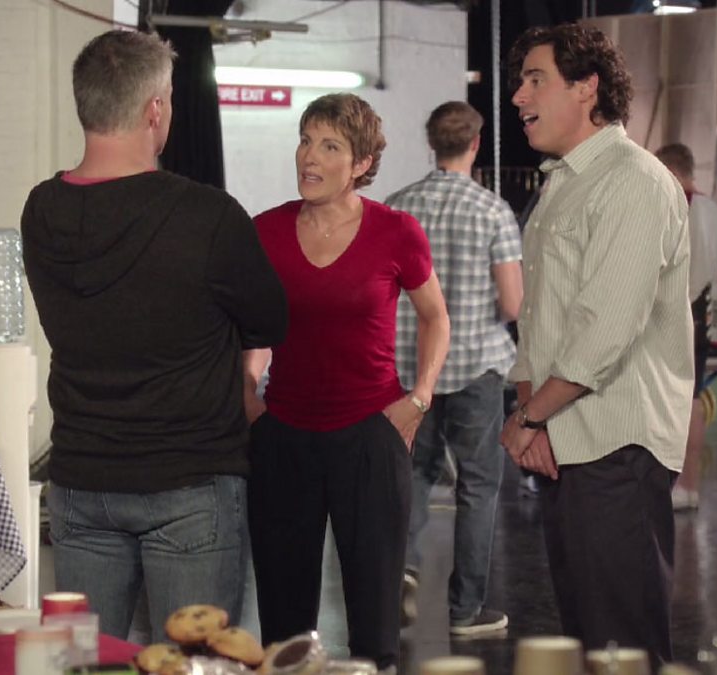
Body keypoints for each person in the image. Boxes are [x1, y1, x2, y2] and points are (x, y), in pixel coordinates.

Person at [21, 30, 288, 642]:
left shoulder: (41, 210)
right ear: (155, 109)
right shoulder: (207, 215)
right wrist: (242, 374)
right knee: (193, 663)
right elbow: (270, 322)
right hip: (189, 480)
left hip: (82, 478)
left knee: (84, 663)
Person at [502, 24, 693, 667]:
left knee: (622, 646)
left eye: (536, 80)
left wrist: (531, 417)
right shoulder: (564, 181)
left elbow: (605, 329)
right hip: (568, 439)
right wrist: (534, 415)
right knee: (590, 640)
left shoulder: (633, 180)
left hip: (617, 444)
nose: (518, 96)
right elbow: (541, 319)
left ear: (587, 88)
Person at [245, 93, 451, 671]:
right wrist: (246, 390)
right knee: (284, 630)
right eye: (305, 140)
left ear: (361, 163)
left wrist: (420, 397)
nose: (309, 156)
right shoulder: (266, 231)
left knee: (375, 622)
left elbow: (436, 317)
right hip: (284, 437)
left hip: (370, 436)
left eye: (329, 145)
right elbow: (253, 327)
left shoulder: (397, 231)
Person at [385, 101, 523, 635]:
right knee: (477, 486)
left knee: (412, 475)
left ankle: (403, 572)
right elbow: (512, 304)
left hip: (411, 367)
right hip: (475, 366)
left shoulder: (398, 208)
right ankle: (465, 610)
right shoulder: (493, 211)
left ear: (431, 143)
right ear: (475, 144)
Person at [655, 142, 717, 511]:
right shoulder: (713, 209)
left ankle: (676, 482)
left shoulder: (675, 203)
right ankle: (689, 484)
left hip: (672, 308)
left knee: (670, 400)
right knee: (692, 397)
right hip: (700, 310)